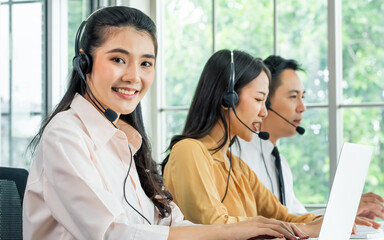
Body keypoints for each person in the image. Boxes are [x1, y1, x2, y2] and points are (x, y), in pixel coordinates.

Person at [22, 7, 315, 240]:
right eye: (118, 59)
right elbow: (110, 233)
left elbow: (171, 221)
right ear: (84, 63)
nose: (134, 76)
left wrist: (249, 232)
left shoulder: (128, 142)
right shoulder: (65, 134)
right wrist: (229, 231)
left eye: (145, 63)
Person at [161, 49, 334, 238]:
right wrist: (304, 230)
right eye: (259, 99)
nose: (264, 112)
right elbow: (214, 225)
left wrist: (334, 220)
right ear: (228, 98)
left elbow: (285, 216)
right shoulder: (189, 151)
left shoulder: (237, 167)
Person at [233, 55, 384, 219]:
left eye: (302, 97)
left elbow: (298, 219)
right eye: (293, 96)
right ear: (265, 100)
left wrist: (346, 214)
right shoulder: (236, 154)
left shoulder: (280, 163)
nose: (302, 107)